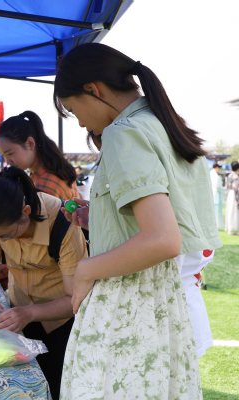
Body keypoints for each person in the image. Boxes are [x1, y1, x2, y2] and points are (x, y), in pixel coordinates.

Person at [53, 42, 222, 399]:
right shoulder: (160, 125)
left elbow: (163, 238)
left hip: (129, 299)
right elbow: (169, 225)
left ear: (92, 90)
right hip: (162, 296)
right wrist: (101, 217)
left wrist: (85, 269)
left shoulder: (123, 132)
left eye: (73, 109)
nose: (79, 121)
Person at [0, 166, 87, 400]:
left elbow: (74, 299)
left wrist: (29, 313)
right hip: (20, 310)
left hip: (61, 321)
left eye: (5, 235)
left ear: (26, 211)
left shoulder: (63, 225)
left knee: (56, 384)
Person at [0, 111, 79, 200]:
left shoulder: (44, 185)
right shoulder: (57, 169)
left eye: (10, 153)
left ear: (30, 143)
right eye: (3, 156)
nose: (8, 162)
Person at [225, 161, 239, 235]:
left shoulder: (230, 175)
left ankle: (230, 229)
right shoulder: (235, 176)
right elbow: (236, 188)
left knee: (230, 211)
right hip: (233, 194)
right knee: (233, 212)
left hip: (229, 194)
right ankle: (232, 229)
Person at [210, 163, 224, 230]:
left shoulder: (213, 174)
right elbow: (217, 186)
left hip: (215, 194)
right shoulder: (213, 174)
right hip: (215, 194)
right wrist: (224, 190)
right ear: (217, 167)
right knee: (216, 211)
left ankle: (216, 225)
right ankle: (216, 225)